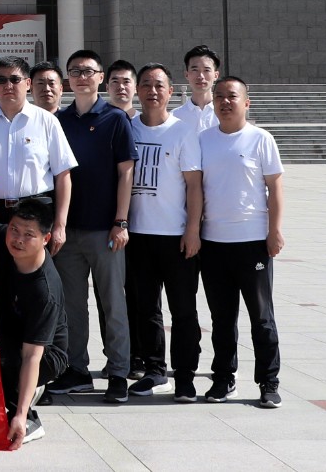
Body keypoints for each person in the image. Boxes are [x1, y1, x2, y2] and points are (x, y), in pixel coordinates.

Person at [48, 49, 137, 403]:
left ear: (101, 77)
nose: (82, 77)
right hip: (68, 231)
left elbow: (126, 172)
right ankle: (77, 370)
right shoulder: (59, 120)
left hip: (105, 230)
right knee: (72, 305)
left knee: (113, 304)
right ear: (67, 79)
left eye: (88, 71)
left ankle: (118, 372)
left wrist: (121, 221)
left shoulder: (115, 119)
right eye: (75, 72)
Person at [198, 75, 285, 408]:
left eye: (232, 96)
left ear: (246, 102)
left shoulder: (261, 139)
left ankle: (269, 381)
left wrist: (274, 231)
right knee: (221, 319)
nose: (225, 102)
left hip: (252, 243)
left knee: (261, 317)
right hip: (214, 243)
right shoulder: (203, 140)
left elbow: (275, 188)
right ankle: (223, 378)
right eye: (219, 96)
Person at [124, 63, 203, 401]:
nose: (152, 91)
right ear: (137, 91)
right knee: (146, 309)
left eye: (159, 85)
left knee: (183, 309)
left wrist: (192, 230)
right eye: (146, 85)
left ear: (171, 91)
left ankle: (184, 375)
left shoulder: (183, 132)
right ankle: (155, 371)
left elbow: (194, 186)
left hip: (175, 236)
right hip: (137, 235)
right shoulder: (127, 128)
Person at [0, 55, 74, 235]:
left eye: (15, 79)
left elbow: (63, 174)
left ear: (28, 83)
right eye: (1, 80)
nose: (8, 85)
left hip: (37, 210)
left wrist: (60, 225)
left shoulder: (47, 121)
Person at [0, 199, 69, 448]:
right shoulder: (5, 237)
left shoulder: (45, 291)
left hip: (46, 353)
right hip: (11, 332)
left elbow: (32, 356)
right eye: (14, 230)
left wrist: (20, 413)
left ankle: (29, 418)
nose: (18, 240)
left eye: (29, 235)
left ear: (46, 239)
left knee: (3, 358)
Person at [171, 44, 220, 133]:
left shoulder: (224, 115)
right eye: (195, 70)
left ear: (216, 75)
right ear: (186, 74)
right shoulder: (174, 117)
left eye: (206, 70)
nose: (200, 76)